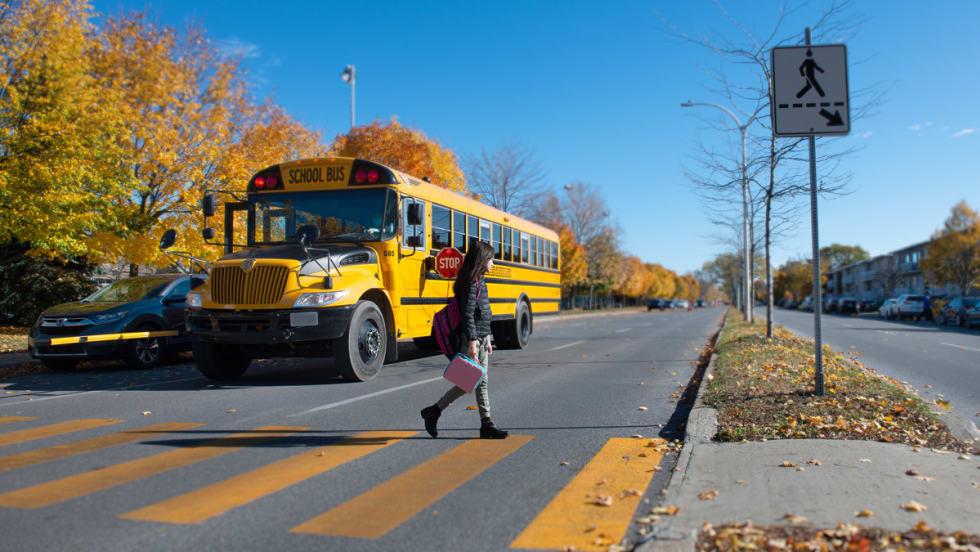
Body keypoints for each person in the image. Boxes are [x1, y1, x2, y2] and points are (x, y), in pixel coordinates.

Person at [420, 241, 509, 439]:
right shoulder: (471, 284)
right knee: (473, 381)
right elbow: (468, 315)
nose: (492, 263)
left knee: (475, 382)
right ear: (482, 260)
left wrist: (488, 340)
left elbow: (483, 313)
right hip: (472, 340)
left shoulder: (479, 281)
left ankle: (436, 412)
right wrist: (472, 344)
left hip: (481, 338)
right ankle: (439, 412)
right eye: (491, 259)